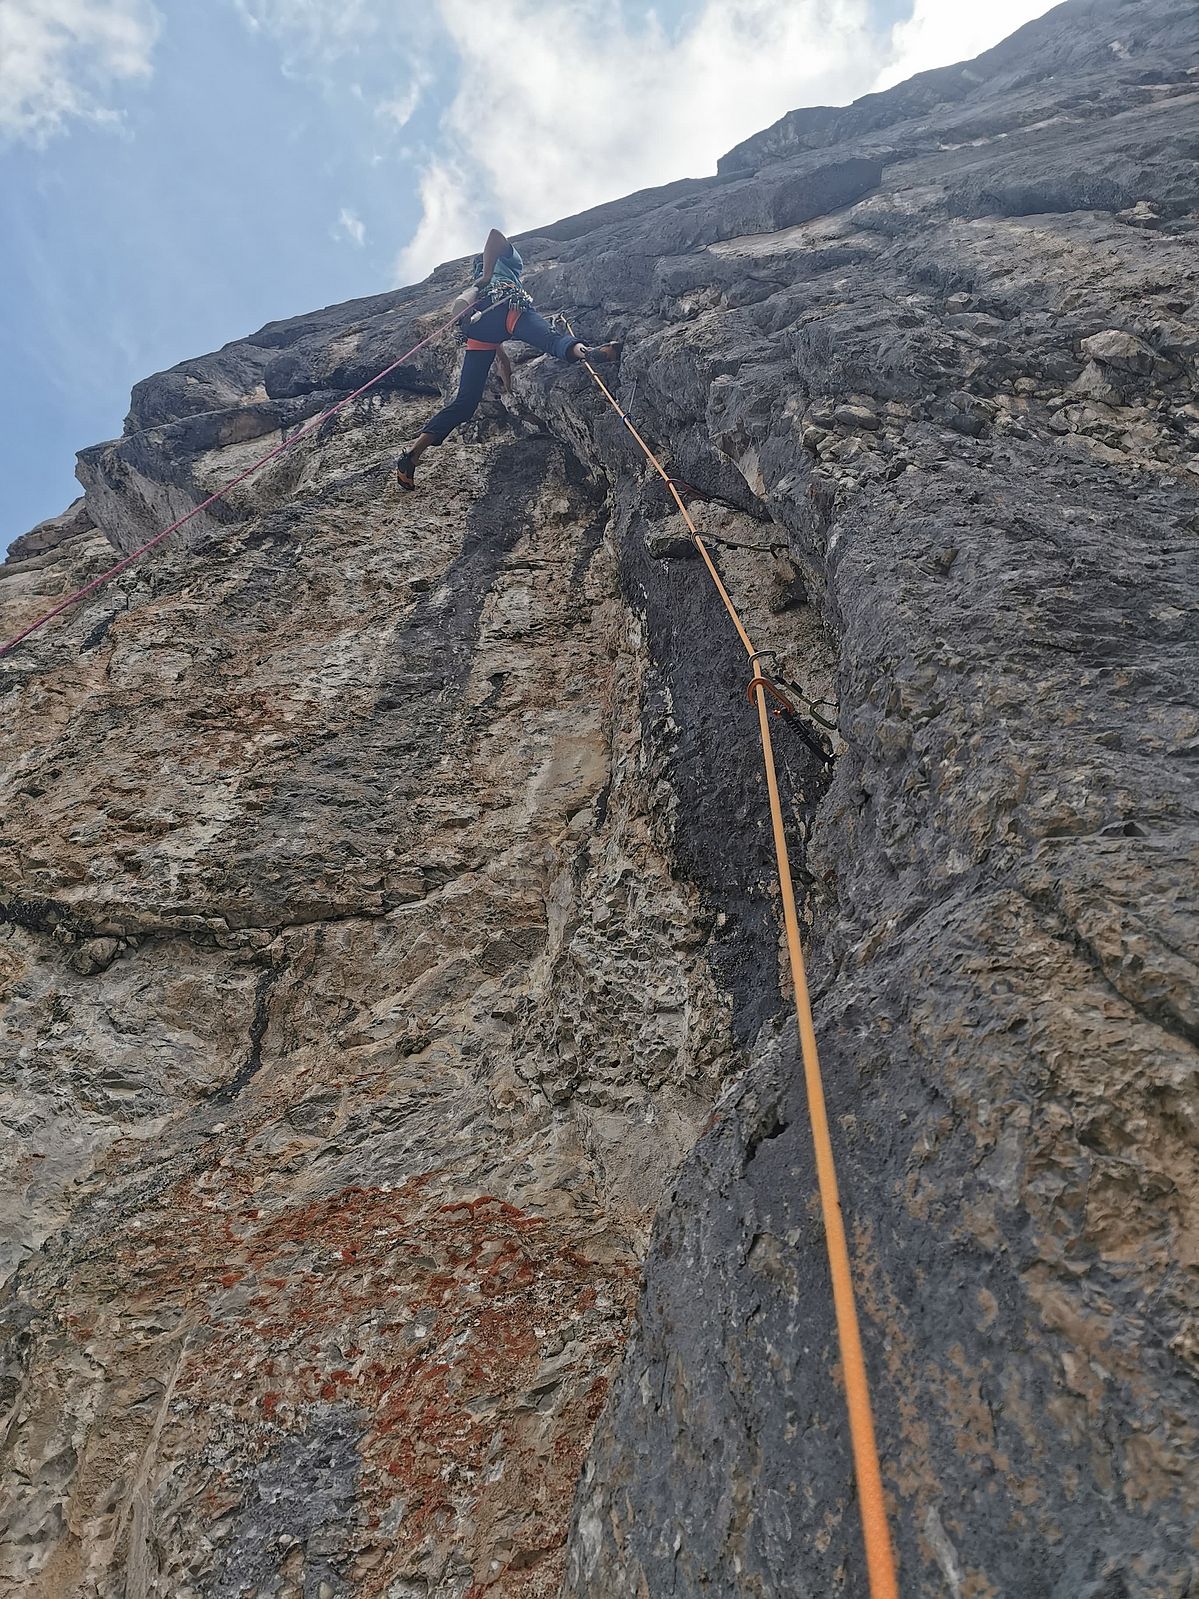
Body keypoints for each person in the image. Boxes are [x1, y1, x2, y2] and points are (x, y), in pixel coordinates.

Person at [395, 227, 620, 490]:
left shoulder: (477, 283)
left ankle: (411, 456)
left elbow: (493, 337)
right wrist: (490, 273)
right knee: (552, 340)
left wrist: (503, 362)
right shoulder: (511, 261)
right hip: (508, 308)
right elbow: (493, 235)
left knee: (465, 403)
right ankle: (588, 353)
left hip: (479, 330)